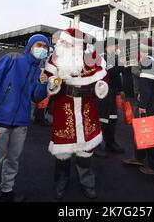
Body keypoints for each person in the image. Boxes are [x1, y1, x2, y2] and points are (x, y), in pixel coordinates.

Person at [0, 34, 50, 202]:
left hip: (20, 123)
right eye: (39, 45)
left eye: (45, 47)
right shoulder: (11, 58)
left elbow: (36, 97)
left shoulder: (38, 70)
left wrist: (43, 84)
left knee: (13, 160)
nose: (42, 49)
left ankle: (7, 192)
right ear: (30, 46)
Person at [45, 28, 109, 200]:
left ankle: (87, 182)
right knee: (62, 151)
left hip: (87, 106)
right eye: (62, 42)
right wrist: (52, 83)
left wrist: (101, 85)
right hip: (63, 105)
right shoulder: (56, 56)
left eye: (66, 42)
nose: (61, 44)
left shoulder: (91, 55)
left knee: (86, 149)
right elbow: (47, 76)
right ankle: (61, 181)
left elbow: (103, 76)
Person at [122, 38, 154, 176]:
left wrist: (142, 105)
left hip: (150, 104)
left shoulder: (147, 60)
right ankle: (138, 158)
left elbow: (146, 85)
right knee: (144, 131)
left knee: (150, 133)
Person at [97, 37, 126, 155]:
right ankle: (96, 146)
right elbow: (111, 72)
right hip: (103, 94)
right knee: (102, 119)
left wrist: (120, 89)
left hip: (112, 93)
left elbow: (117, 75)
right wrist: (121, 64)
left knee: (113, 119)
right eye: (115, 45)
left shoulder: (114, 58)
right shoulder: (102, 57)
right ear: (107, 46)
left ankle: (110, 143)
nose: (117, 48)